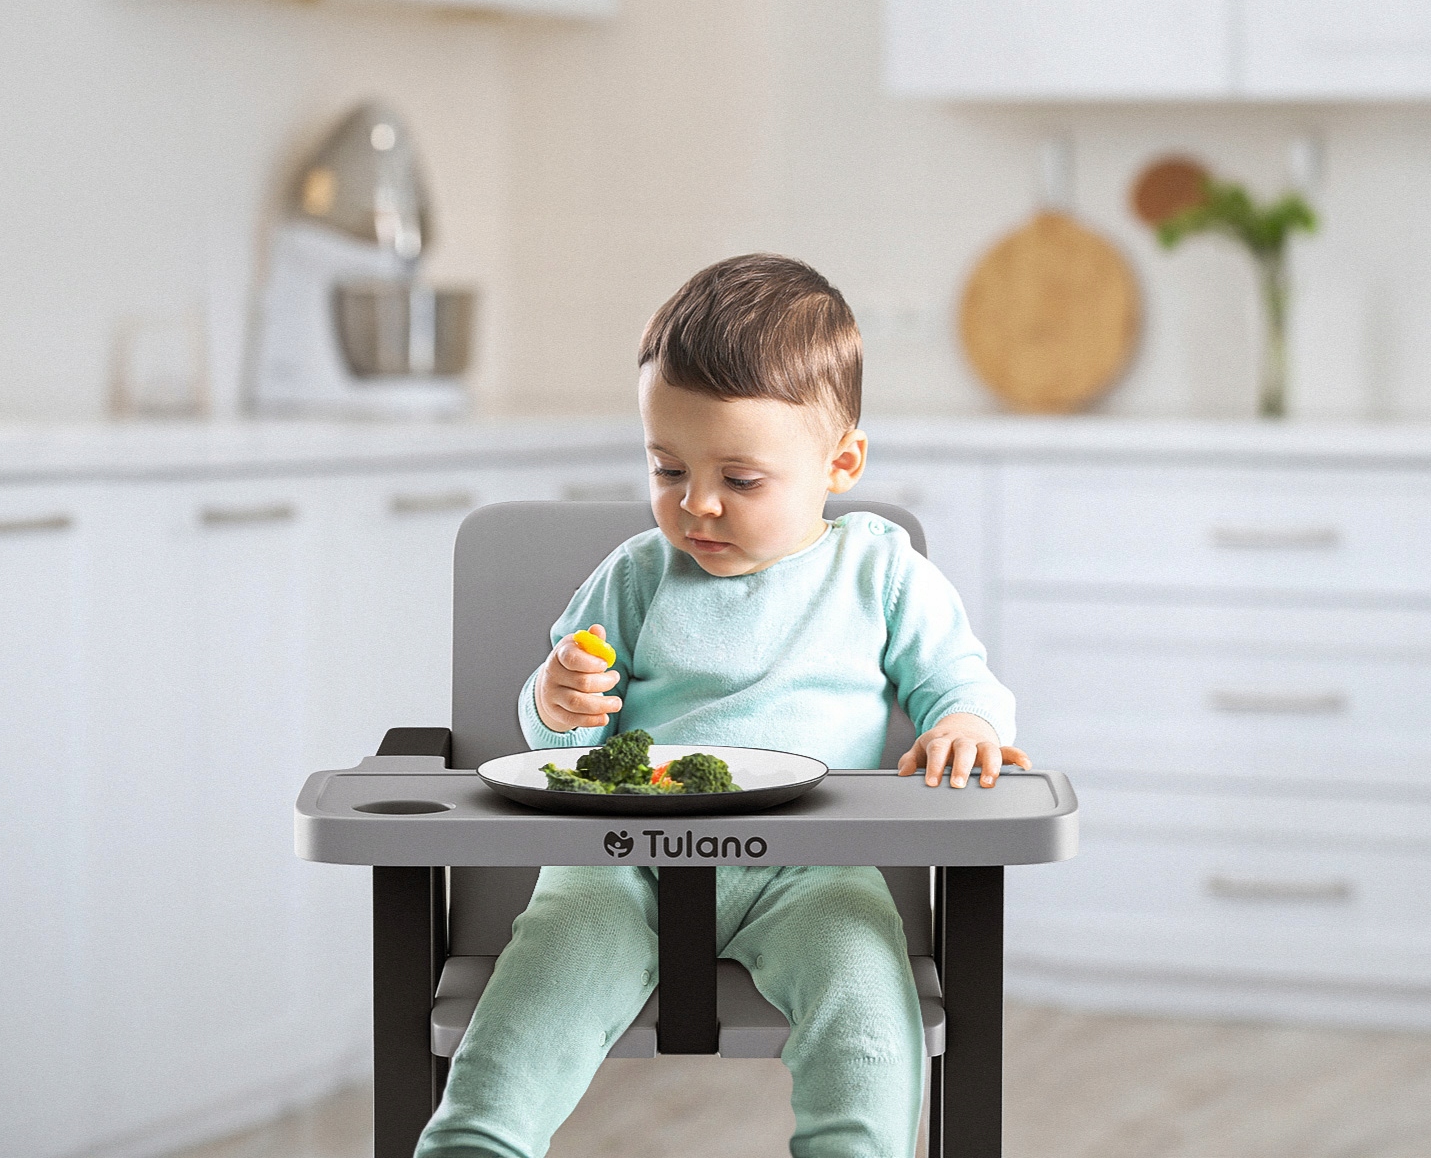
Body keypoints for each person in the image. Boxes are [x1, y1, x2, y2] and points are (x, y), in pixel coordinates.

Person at [417, 253, 1028, 1158]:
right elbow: (560, 732)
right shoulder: (636, 574)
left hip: (812, 870)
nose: (696, 504)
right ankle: (477, 1140)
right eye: (668, 469)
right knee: (539, 989)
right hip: (622, 862)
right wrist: (559, 700)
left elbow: (960, 681)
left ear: (840, 462)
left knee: (866, 1008)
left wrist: (966, 726)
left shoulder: (881, 571)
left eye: (739, 481)